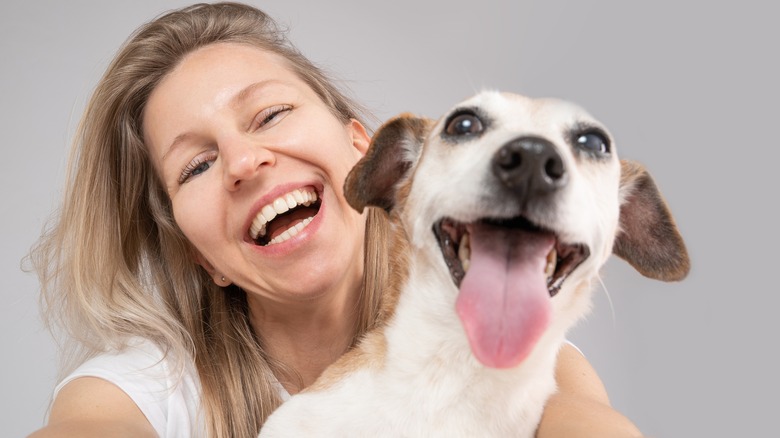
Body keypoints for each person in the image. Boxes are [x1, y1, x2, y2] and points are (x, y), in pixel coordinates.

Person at [28, 3, 642, 437]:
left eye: (269, 114)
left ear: (363, 152)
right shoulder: (152, 388)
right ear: (201, 256)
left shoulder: (510, 346)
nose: (243, 162)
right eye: (197, 165)